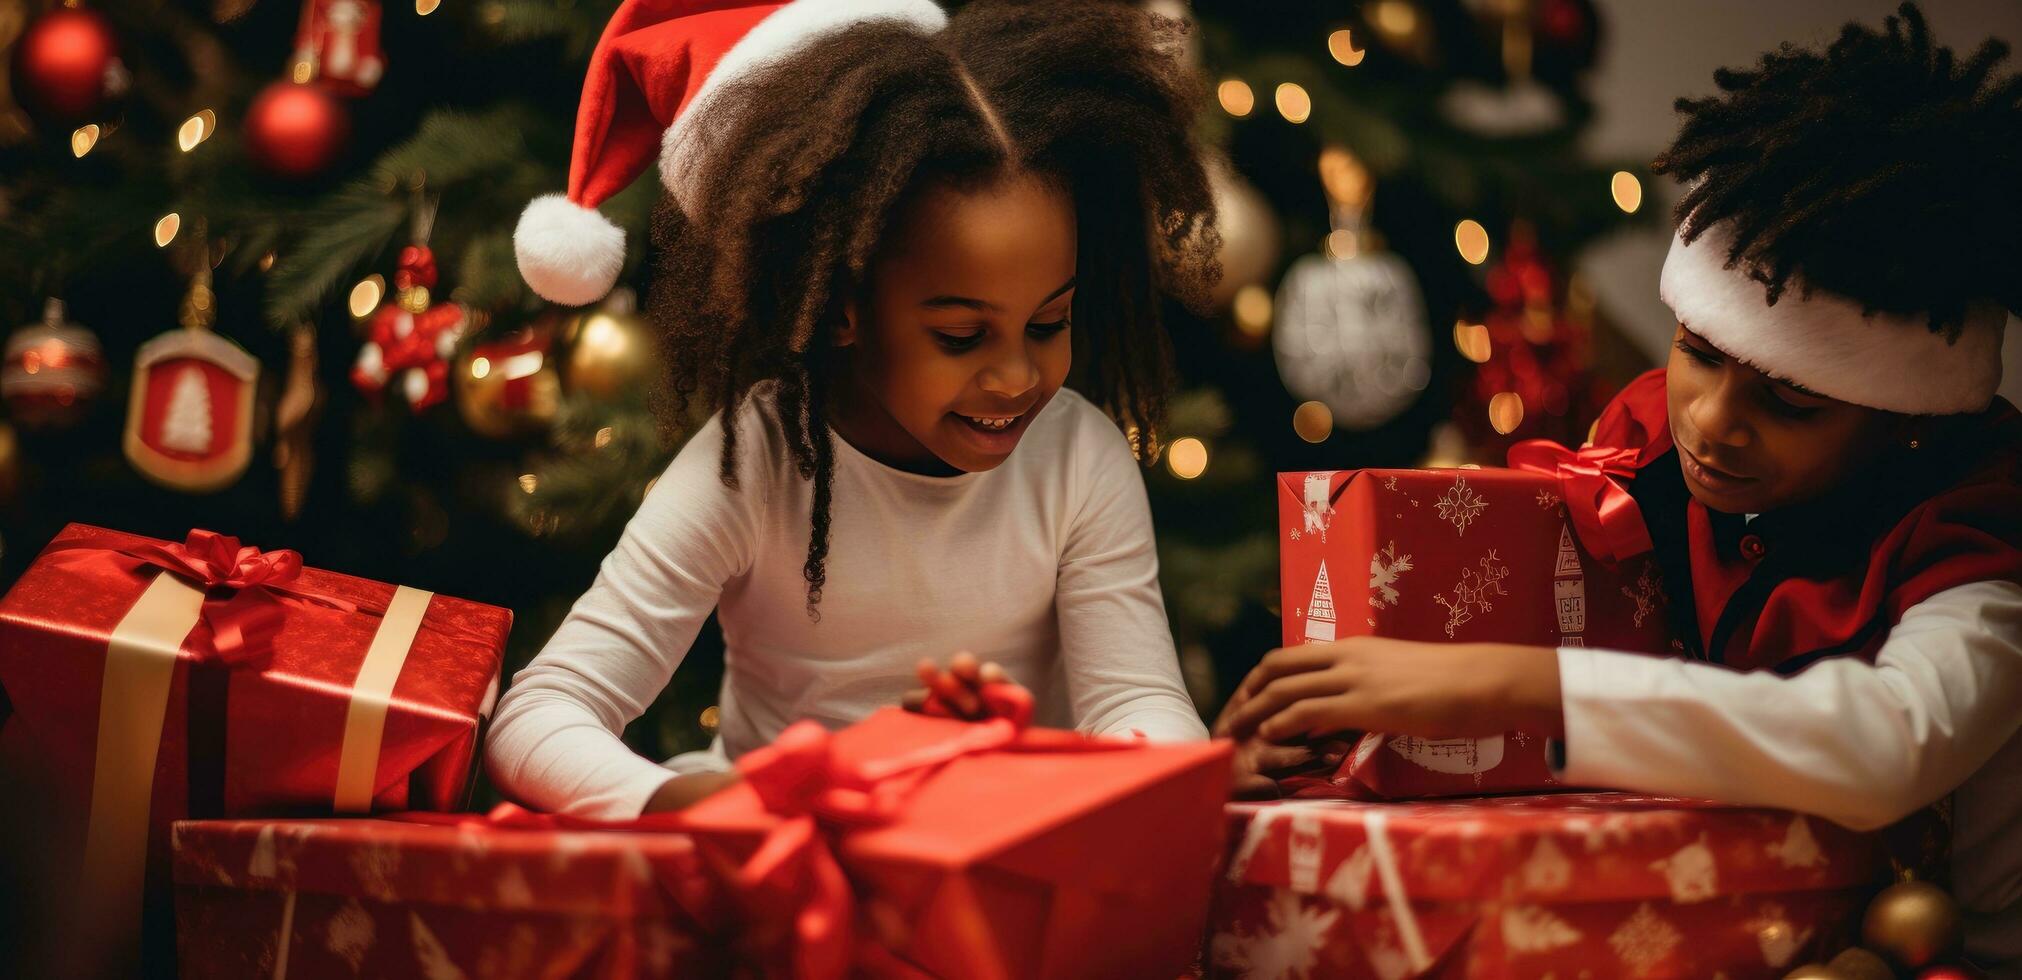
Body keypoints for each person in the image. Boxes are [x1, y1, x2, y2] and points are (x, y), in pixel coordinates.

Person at [1218, 4, 2022, 967]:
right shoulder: (1643, 459)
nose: (1713, 420)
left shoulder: (1982, 547)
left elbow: (1893, 745)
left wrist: (1519, 687)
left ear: (1909, 416)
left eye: (1793, 403)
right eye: (1697, 354)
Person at [487, 0, 1217, 821]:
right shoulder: (754, 464)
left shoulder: (1077, 458)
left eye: (1049, 324)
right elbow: (537, 715)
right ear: (840, 308)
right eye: (961, 335)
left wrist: (1113, 775)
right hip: (778, 877)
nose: (1017, 376)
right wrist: (688, 804)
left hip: (997, 870)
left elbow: (1143, 711)